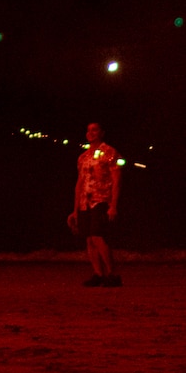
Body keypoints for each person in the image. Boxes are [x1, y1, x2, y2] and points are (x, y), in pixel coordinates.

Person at [67, 122, 122, 287]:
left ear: (102, 132)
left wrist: (113, 205)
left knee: (98, 236)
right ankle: (98, 274)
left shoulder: (110, 152)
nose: (91, 133)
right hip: (85, 201)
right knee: (89, 239)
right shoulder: (83, 157)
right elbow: (79, 182)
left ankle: (112, 273)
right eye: (89, 130)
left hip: (101, 198)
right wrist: (75, 209)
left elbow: (116, 180)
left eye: (95, 129)